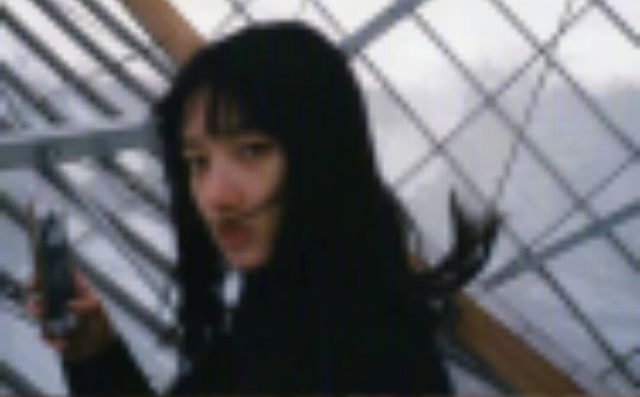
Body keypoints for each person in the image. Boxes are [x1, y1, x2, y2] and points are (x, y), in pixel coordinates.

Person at [28, 20, 453, 394]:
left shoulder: (368, 367)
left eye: (252, 151)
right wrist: (95, 352)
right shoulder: (284, 322)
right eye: (198, 162)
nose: (215, 196)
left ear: (322, 158)